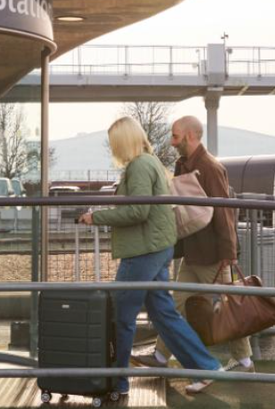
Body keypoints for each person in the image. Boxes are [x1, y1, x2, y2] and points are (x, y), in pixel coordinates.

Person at [79, 117, 223, 397]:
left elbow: (138, 211)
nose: (113, 148)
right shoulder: (150, 161)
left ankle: (119, 382)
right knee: (164, 313)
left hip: (142, 251)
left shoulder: (139, 166)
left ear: (124, 141)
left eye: (114, 143)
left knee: (123, 315)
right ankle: (206, 367)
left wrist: (96, 217)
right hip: (156, 247)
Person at [132, 115, 254, 375]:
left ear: (189, 136)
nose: (172, 141)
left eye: (175, 136)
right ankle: (160, 355)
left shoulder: (209, 167)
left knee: (226, 306)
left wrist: (228, 252)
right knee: (177, 304)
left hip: (212, 254)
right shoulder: (186, 164)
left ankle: (244, 362)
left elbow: (224, 211)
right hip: (194, 251)